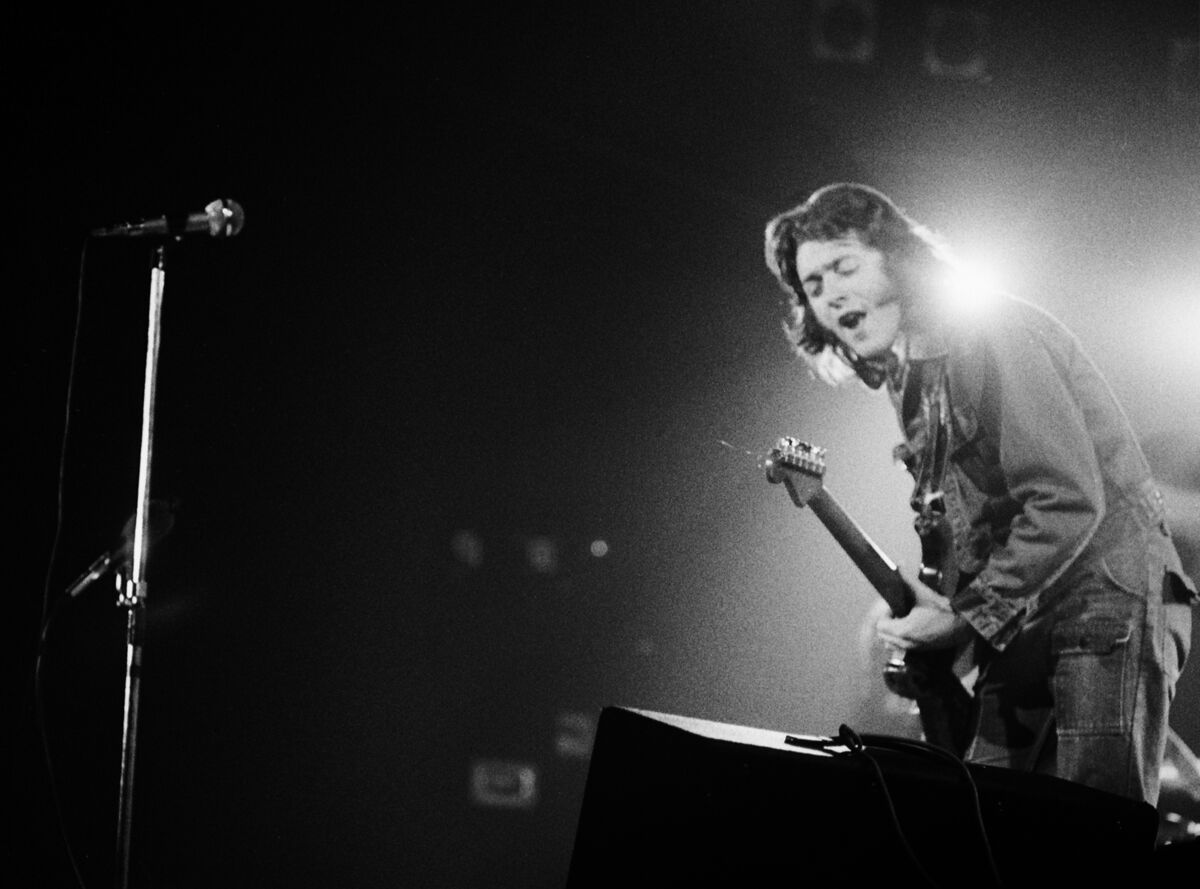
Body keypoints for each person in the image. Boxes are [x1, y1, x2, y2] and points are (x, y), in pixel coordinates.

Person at [763, 182, 1197, 806]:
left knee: (1091, 831)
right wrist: (940, 602)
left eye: (843, 266)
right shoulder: (909, 385)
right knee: (980, 819)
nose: (829, 293)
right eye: (813, 285)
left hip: (1108, 594)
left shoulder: (991, 330)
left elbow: (1065, 498)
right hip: (1024, 617)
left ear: (897, 260)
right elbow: (975, 525)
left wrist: (968, 614)